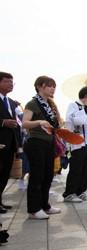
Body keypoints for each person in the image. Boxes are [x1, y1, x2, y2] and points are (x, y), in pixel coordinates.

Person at [22, 76, 62, 219]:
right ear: (40, 86)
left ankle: (44, 205)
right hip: (36, 142)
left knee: (47, 176)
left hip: (49, 142)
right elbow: (25, 123)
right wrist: (39, 121)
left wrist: (57, 119)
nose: (53, 89)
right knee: (37, 176)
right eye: (49, 86)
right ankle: (34, 209)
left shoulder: (50, 105)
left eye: (54, 86)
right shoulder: (33, 103)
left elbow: (56, 126)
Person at [63, 86, 87, 203]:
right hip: (77, 143)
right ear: (86, 96)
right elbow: (73, 121)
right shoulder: (74, 106)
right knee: (75, 169)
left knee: (86, 170)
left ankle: (80, 191)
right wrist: (84, 109)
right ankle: (69, 193)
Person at [0, 72, 21, 213]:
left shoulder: (12, 102)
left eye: (12, 81)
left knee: (4, 174)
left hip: (10, 143)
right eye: (7, 81)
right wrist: (3, 122)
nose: (10, 84)